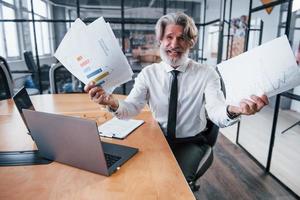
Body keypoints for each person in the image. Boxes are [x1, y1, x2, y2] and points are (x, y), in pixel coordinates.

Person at [84, 12, 268, 186]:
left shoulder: (207, 74)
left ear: (191, 42)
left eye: (181, 38)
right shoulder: (149, 74)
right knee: (133, 177)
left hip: (190, 142)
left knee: (174, 184)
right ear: (160, 41)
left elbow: (216, 112)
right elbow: (130, 108)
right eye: (169, 37)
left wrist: (234, 110)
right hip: (156, 139)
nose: (174, 44)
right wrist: (111, 102)